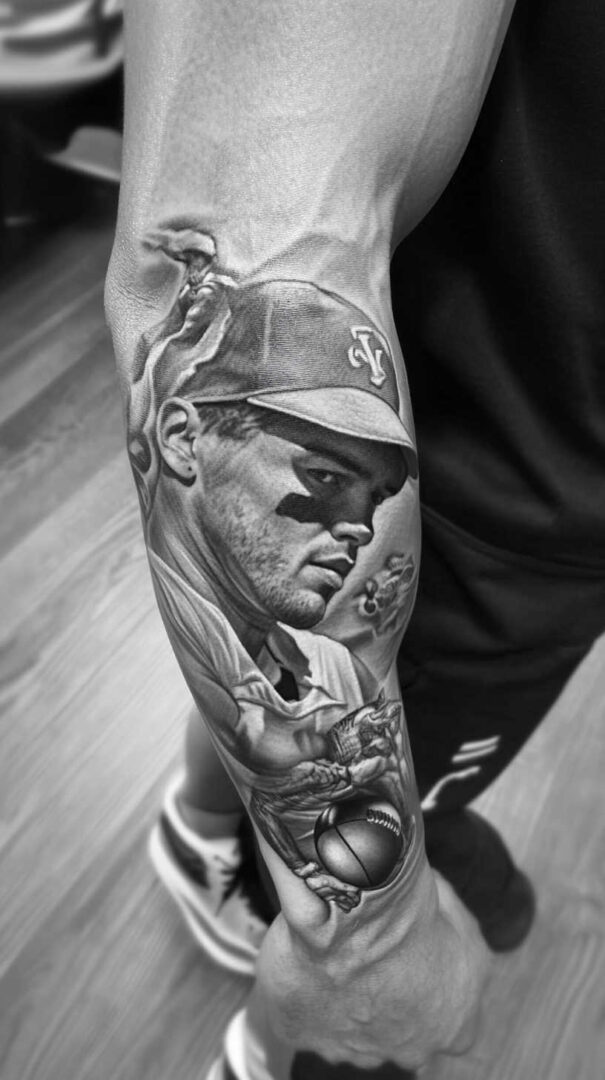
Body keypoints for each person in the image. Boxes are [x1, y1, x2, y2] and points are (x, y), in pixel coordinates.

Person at [106, 1, 605, 1077]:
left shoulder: (283, 597)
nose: (359, 527)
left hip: (519, 467)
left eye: (375, 491)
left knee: (275, 675)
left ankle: (199, 834)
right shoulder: (390, 594)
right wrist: (368, 946)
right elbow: (242, 221)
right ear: (184, 435)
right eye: (324, 475)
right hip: (502, 515)